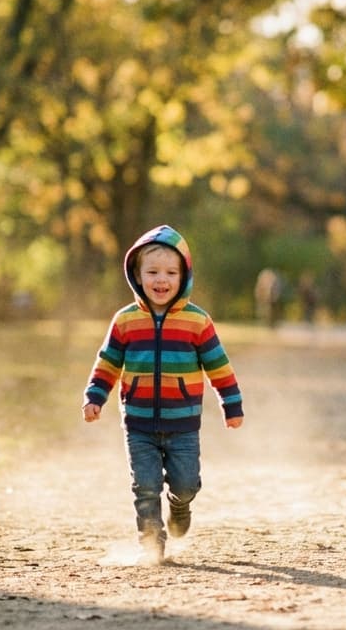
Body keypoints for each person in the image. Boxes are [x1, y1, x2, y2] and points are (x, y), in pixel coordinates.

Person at [82, 224, 244, 565]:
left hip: (183, 424)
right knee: (144, 486)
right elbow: (108, 362)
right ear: (137, 275)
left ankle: (180, 506)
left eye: (171, 272)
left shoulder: (197, 322)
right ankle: (151, 544)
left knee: (186, 484)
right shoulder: (125, 321)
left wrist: (231, 404)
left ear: (184, 276)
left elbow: (218, 366)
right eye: (152, 271)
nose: (161, 280)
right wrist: (95, 396)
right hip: (138, 423)